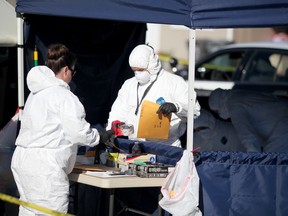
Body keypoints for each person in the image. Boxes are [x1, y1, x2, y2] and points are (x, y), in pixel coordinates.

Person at [11, 43, 114, 215]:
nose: (73, 76)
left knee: (28, 211)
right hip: (45, 167)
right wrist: (99, 136)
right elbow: (79, 133)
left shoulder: (35, 95)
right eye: (73, 72)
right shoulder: (64, 96)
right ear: (66, 70)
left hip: (23, 160)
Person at [106, 44, 200, 147]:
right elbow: (118, 111)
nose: (137, 74)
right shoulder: (129, 84)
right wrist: (111, 131)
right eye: (134, 70)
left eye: (141, 70)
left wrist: (176, 107)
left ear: (152, 65)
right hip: (133, 146)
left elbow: (194, 111)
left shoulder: (175, 83)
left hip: (166, 148)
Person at [208, 88, 288, 152]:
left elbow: (246, 134)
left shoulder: (234, 105)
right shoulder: (239, 95)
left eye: (217, 111)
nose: (219, 114)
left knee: (270, 163)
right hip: (283, 121)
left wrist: (253, 158)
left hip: (283, 127)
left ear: (219, 104)